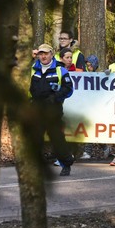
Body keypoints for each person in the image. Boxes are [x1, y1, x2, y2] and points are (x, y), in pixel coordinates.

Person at [28, 43, 75, 176]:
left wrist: (55, 97)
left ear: (52, 54)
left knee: (57, 139)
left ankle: (66, 163)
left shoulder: (61, 70)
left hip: (53, 111)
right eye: (41, 54)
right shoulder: (33, 69)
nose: (43, 56)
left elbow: (69, 89)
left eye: (46, 53)